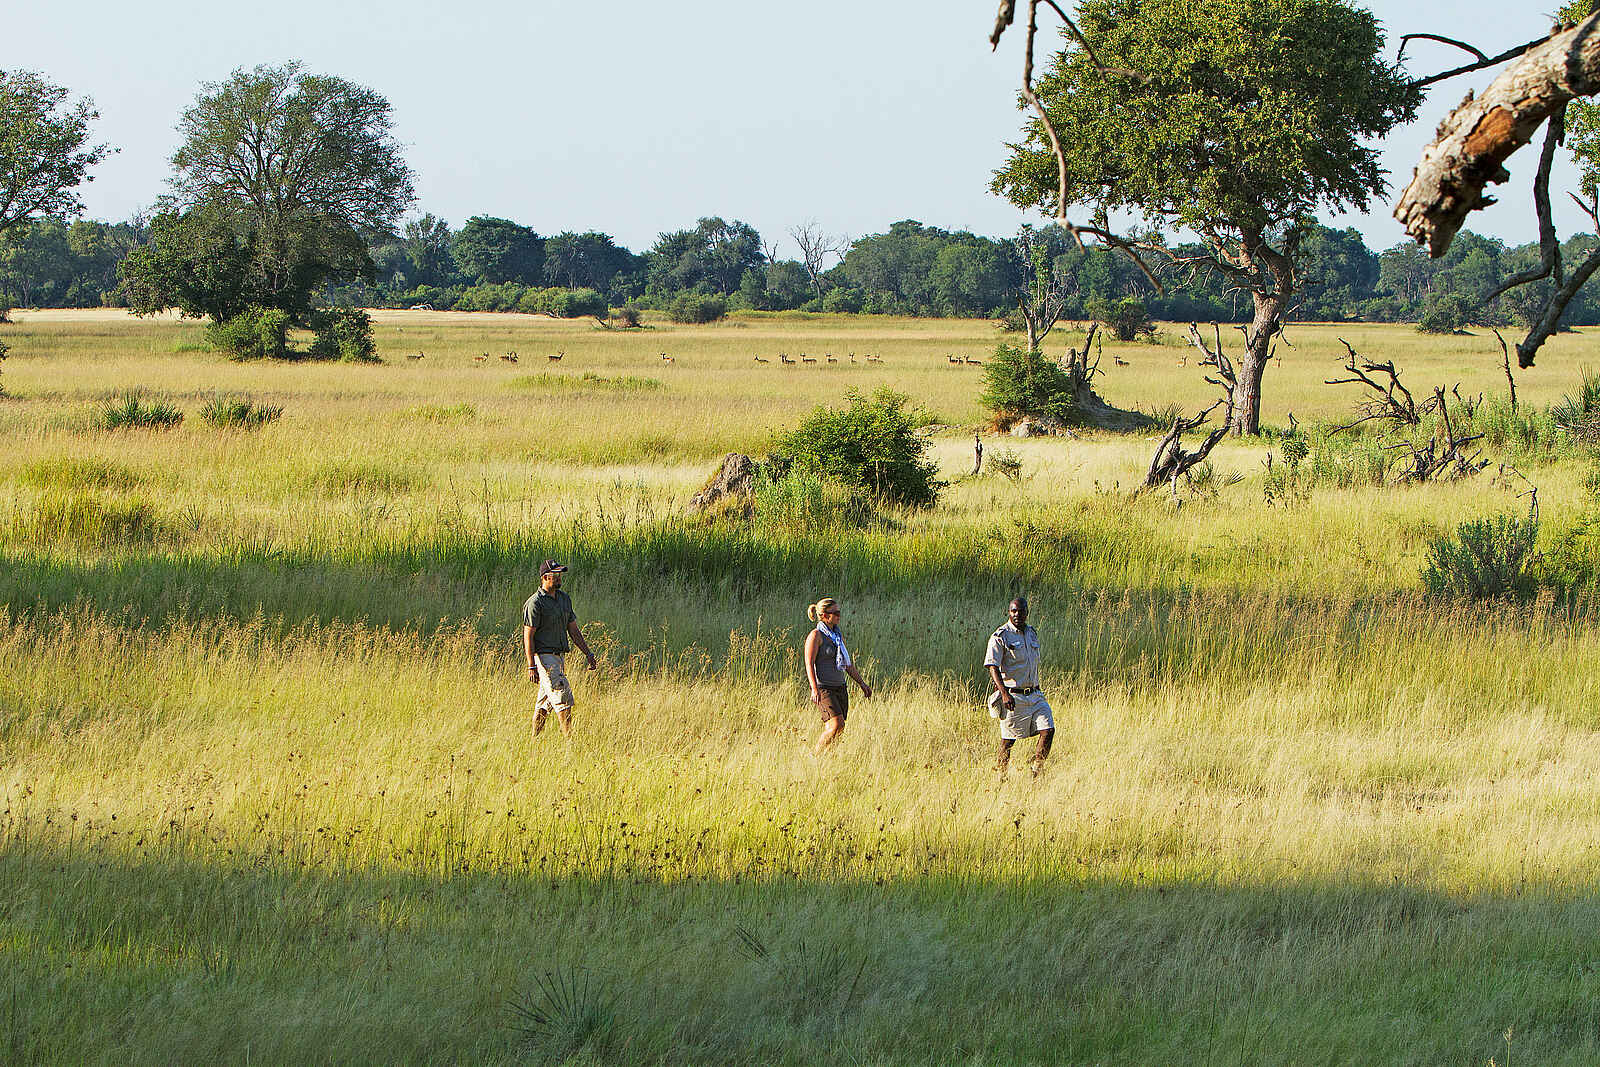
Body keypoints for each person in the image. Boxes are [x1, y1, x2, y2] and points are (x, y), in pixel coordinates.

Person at [522, 559, 597, 736]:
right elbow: (528, 636)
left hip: (559, 657)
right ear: (545, 577)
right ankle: (569, 742)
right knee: (563, 698)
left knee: (545, 703)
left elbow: (573, 629)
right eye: (556, 575)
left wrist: (588, 653)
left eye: (560, 575)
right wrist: (531, 665)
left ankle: (534, 740)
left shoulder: (564, 599)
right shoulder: (535, 603)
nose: (559, 578)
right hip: (545, 658)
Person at [985, 596, 1054, 776]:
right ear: (1009, 612)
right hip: (1013, 697)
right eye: (1013, 611)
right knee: (1008, 741)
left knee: (1048, 730)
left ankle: (1036, 772)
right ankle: (1001, 777)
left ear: (1026, 612)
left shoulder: (1031, 632)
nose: (1017, 614)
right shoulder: (1000, 636)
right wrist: (1004, 693)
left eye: (1021, 611)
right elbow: (992, 667)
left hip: (1035, 694)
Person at [804, 597, 872, 753]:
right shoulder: (816, 636)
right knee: (836, 724)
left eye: (838, 612)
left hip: (840, 686)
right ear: (824, 615)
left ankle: (827, 760)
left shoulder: (837, 637)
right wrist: (814, 688)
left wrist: (862, 683)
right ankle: (814, 756)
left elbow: (847, 664)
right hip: (824, 688)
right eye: (835, 612)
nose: (839, 615)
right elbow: (809, 663)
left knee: (837, 729)